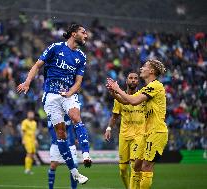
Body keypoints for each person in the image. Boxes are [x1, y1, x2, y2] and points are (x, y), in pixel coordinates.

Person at [17, 24, 91, 184]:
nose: (86, 35)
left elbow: (78, 81)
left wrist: (70, 93)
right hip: (51, 95)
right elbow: (37, 65)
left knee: (75, 117)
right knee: (61, 134)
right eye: (83, 32)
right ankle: (75, 172)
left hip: (68, 94)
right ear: (73, 33)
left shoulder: (81, 57)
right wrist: (27, 82)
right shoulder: (55, 48)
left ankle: (86, 154)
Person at [106, 59, 168, 189]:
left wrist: (118, 88)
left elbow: (133, 101)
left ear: (151, 71)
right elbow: (126, 101)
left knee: (146, 167)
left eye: (145, 66)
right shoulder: (146, 88)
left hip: (156, 132)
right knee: (136, 166)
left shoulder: (156, 86)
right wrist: (114, 92)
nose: (141, 68)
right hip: (146, 132)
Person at [104, 72, 145, 189]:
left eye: (136, 78)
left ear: (138, 82)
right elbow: (115, 116)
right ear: (126, 80)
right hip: (124, 135)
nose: (133, 80)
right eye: (131, 78)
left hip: (138, 135)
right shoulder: (119, 98)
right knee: (122, 170)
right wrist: (109, 128)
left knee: (134, 166)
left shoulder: (142, 95)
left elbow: (130, 101)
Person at [48, 115, 78, 189]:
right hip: (56, 144)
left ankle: (73, 188)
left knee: (74, 166)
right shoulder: (52, 114)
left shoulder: (70, 112)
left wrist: (77, 137)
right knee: (53, 165)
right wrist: (58, 139)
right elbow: (51, 129)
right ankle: (50, 188)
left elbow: (76, 125)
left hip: (70, 144)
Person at [21, 110, 38, 174]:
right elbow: (23, 131)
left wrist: (36, 140)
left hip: (33, 140)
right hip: (27, 139)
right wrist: (23, 139)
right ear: (27, 115)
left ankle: (29, 169)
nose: (31, 115)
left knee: (32, 153)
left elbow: (34, 133)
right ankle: (27, 169)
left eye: (32, 114)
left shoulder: (34, 123)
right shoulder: (25, 122)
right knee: (29, 153)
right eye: (30, 114)